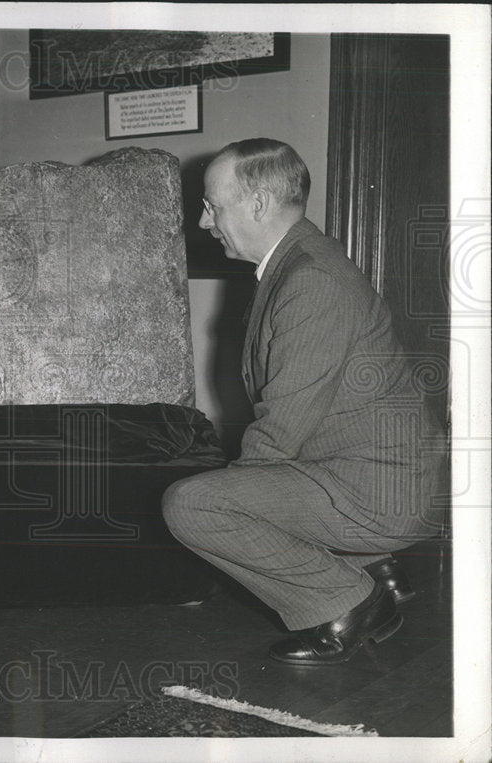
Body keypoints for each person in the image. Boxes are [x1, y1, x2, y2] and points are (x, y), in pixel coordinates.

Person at [162, 139, 446, 665]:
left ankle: (349, 603)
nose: (204, 222)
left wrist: (231, 500)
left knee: (192, 503)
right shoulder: (302, 262)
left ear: (258, 205)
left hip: (381, 491)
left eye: (212, 206)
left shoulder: (309, 279)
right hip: (374, 475)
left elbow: (283, 428)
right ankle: (376, 567)